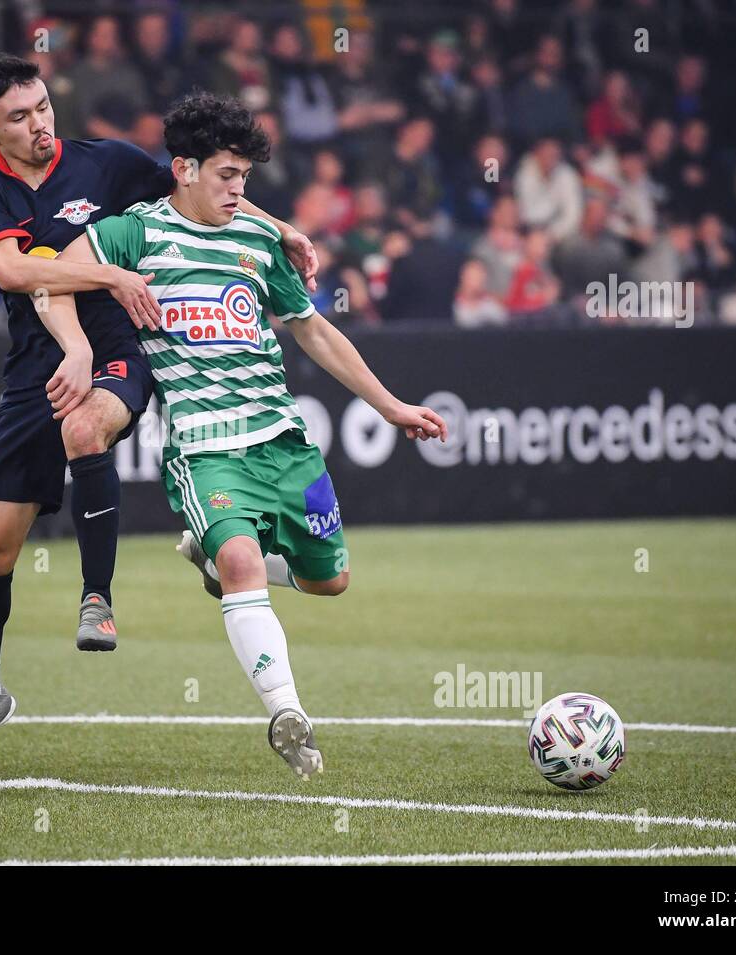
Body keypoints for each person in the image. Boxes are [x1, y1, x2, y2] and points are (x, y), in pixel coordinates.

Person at [42, 92, 446, 777]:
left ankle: (215, 568)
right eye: (227, 175)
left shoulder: (259, 242)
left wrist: (390, 405)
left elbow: (313, 329)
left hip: (282, 440)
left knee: (333, 581)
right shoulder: (134, 232)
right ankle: (289, 715)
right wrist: (77, 347)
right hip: (205, 449)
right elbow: (51, 277)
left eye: (245, 179)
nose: (239, 190)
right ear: (184, 169)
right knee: (242, 563)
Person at [0, 55, 317, 780]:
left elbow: (202, 182)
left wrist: (282, 228)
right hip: (34, 365)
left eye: (44, 106)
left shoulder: (107, 163)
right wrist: (109, 273)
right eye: (19, 117)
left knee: (87, 427)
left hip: (122, 345)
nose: (39, 123)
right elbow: (15, 272)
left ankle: (97, 600)